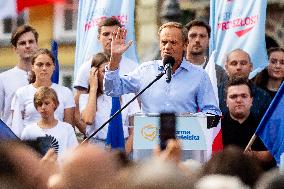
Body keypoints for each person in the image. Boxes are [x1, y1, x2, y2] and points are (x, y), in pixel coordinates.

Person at [104, 22, 221, 115]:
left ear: (185, 45)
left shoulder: (199, 76)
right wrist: (115, 58)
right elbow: (112, 89)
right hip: (149, 139)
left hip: (186, 141)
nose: (167, 47)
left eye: (173, 43)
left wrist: (190, 118)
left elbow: (212, 112)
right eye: (164, 42)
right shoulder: (145, 71)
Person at [74, 17, 137, 134]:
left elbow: (138, 105)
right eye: (106, 34)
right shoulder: (86, 68)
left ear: (121, 36)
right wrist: (91, 135)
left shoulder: (134, 68)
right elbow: (76, 109)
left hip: (124, 140)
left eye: (114, 34)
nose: (110, 38)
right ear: (98, 37)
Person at [79, 52, 140, 150]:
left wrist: (124, 154)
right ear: (94, 72)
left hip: (122, 143)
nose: (108, 75)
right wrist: (93, 88)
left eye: (111, 70)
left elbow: (135, 129)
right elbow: (88, 119)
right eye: (104, 71)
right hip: (96, 146)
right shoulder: (86, 98)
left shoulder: (128, 94)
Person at [11, 49, 75, 137]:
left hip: (57, 145)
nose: (44, 68)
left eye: (48, 64)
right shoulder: (22, 93)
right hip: (30, 144)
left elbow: (69, 127)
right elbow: (16, 128)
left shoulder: (66, 92)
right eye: (40, 64)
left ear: (54, 67)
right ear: (33, 67)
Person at [222, 77, 275, 169]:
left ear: (251, 100)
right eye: (233, 96)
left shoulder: (264, 128)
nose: (239, 100)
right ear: (226, 102)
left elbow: (273, 156)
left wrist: (254, 155)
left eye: (244, 96)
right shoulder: (215, 128)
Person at [21, 86, 78, 159]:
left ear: (55, 104)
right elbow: (23, 159)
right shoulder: (28, 130)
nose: (43, 107)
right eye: (39, 104)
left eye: (46, 103)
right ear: (36, 107)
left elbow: (73, 155)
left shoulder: (67, 129)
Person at [0, 25, 38, 127]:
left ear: (36, 45)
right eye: (22, 43)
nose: (27, 46)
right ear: (15, 49)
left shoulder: (46, 76)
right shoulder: (3, 79)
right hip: (11, 139)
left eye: (31, 42)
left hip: (39, 138)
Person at [218, 48, 272, 118]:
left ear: (251, 67)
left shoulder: (264, 97)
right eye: (234, 64)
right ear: (226, 68)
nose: (238, 67)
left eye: (243, 63)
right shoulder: (215, 93)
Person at [185, 20, 227, 87]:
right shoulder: (176, 69)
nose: (197, 40)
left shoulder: (219, 73)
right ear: (185, 40)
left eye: (202, 36)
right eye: (193, 35)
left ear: (208, 41)